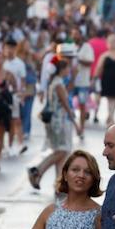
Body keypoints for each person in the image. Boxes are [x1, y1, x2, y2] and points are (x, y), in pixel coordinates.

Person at [28, 57, 80, 190]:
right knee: (62, 151)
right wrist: (76, 123)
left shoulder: (55, 82)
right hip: (59, 122)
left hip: (54, 121)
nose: (69, 70)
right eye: (67, 68)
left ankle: (58, 184)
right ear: (62, 69)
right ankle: (38, 170)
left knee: (60, 153)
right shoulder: (58, 84)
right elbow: (66, 104)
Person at [93, 34, 115, 126]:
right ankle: (111, 119)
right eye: (110, 42)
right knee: (110, 100)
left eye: (114, 42)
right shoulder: (104, 56)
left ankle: (110, 116)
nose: (112, 44)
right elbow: (98, 68)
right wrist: (94, 79)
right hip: (108, 81)